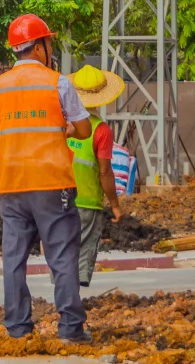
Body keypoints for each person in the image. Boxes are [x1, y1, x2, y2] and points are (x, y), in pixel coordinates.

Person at [0, 13, 92, 344]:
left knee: (14, 259)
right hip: (51, 183)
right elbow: (83, 129)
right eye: (49, 42)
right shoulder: (58, 82)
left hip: (11, 185)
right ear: (40, 46)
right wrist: (65, 126)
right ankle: (70, 328)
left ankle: (18, 329)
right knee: (62, 256)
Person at [67, 66, 126, 287]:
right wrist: (115, 204)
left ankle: (62, 298)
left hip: (58, 198)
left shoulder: (63, 124)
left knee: (63, 249)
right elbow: (104, 172)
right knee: (83, 251)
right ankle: (72, 303)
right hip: (87, 202)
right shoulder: (101, 130)